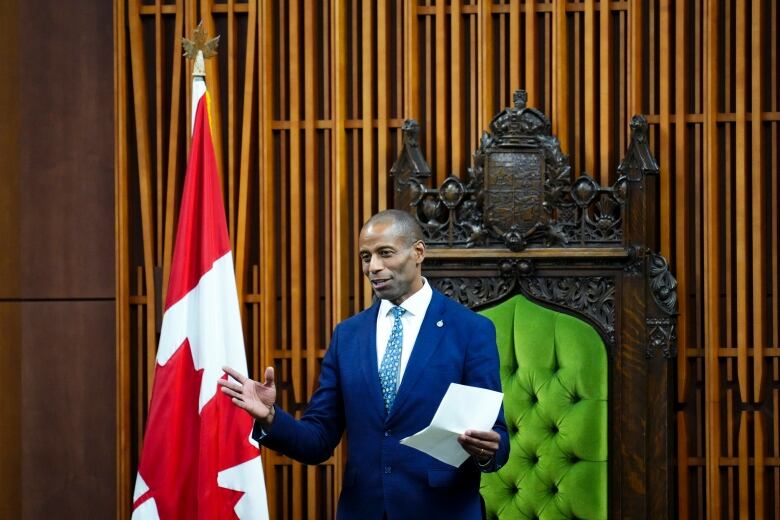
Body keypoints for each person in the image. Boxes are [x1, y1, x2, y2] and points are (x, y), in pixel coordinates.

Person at [219, 209, 509, 519]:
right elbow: (318, 441)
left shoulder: (470, 330)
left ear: (418, 252)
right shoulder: (348, 336)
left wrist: (486, 451)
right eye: (366, 257)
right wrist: (270, 417)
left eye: (385, 253)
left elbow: (497, 438)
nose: (374, 267)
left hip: (443, 510)